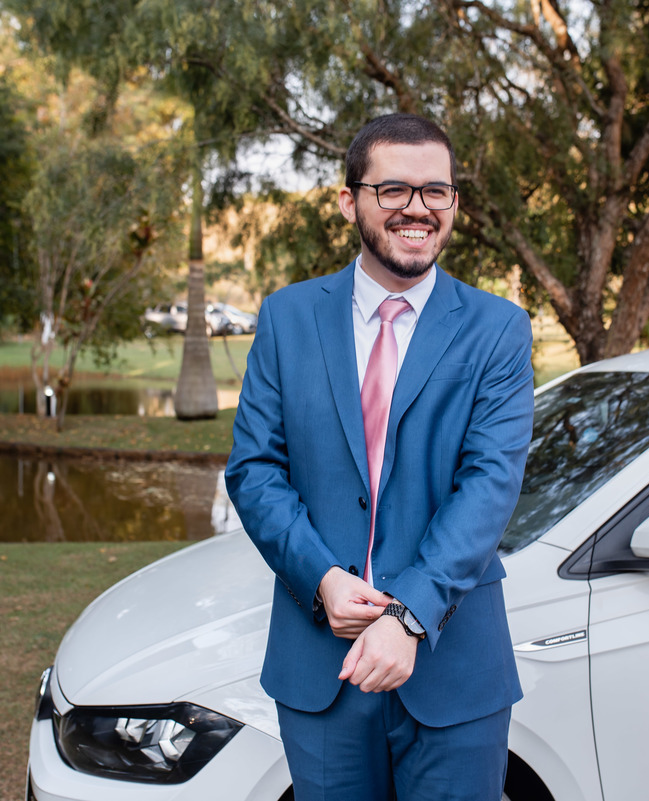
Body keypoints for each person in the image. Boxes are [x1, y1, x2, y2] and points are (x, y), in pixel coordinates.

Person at [224, 113, 534, 801]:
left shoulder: (498, 329)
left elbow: (489, 483)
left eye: (437, 191)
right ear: (349, 200)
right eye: (393, 188)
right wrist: (323, 578)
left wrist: (409, 614)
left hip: (453, 667)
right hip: (321, 667)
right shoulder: (287, 317)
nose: (417, 208)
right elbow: (254, 470)